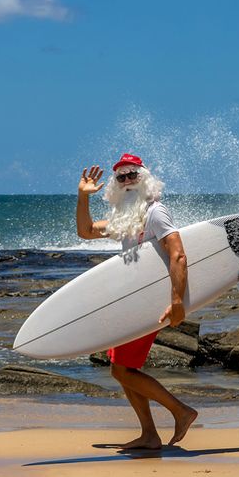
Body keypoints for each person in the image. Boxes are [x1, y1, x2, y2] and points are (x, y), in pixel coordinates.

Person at [76, 153, 198, 449]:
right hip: (133, 299)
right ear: (116, 185)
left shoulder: (156, 212)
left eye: (133, 175)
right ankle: (150, 435)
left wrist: (177, 301)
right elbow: (86, 231)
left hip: (152, 302)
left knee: (122, 370)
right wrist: (83, 197)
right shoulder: (127, 217)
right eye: (121, 177)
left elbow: (178, 254)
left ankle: (181, 412)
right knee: (122, 369)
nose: (128, 181)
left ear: (144, 178)